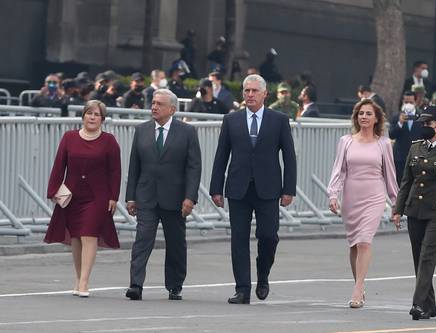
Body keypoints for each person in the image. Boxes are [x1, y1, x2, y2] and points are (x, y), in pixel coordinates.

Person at [209, 74, 296, 304]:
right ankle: (242, 289)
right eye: (246, 91)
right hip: (238, 188)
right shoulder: (232, 120)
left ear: (265, 94)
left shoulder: (279, 120)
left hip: (268, 188)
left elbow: (289, 157)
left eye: (254, 91)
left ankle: (263, 275)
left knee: (268, 236)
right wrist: (216, 188)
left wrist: (289, 189)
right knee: (238, 239)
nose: (250, 95)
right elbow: (221, 156)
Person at [125, 89, 202, 301]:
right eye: (153, 103)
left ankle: (175, 284)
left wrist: (190, 197)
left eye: (159, 104)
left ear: (172, 109)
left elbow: (194, 168)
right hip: (146, 195)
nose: (154, 107)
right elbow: (134, 166)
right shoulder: (142, 131)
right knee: (142, 240)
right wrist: (130, 196)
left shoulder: (187, 132)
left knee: (176, 243)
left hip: (175, 198)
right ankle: (136, 284)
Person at [44, 100, 121, 297]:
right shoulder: (69, 138)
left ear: (102, 119)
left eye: (96, 114)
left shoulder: (109, 141)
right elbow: (59, 166)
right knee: (76, 237)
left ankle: (85, 282)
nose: (92, 117)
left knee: (89, 234)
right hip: (72, 194)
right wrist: (53, 190)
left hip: (98, 196)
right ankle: (78, 278)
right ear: (83, 116)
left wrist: (114, 196)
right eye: (89, 113)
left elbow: (115, 171)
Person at [392, 106, 436, 320]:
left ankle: (418, 304)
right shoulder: (415, 148)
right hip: (415, 210)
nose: (424, 127)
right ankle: (430, 306)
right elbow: (406, 182)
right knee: (418, 258)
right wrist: (398, 209)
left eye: (428, 124)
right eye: (422, 123)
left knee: (427, 258)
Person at [327, 99, 398, 308]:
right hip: (351, 197)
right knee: (354, 245)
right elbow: (338, 170)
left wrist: (396, 203)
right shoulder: (346, 141)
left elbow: (390, 175)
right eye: (361, 113)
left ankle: (358, 288)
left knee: (364, 241)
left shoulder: (383, 143)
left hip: (374, 196)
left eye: (368, 114)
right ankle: (359, 282)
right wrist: (333, 195)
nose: (364, 117)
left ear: (377, 119)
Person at [389, 91, 423, 184]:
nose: (408, 105)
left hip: (416, 156)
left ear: (415, 102)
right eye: (406, 102)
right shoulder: (396, 117)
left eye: (411, 102)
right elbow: (391, 134)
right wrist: (400, 123)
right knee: (399, 184)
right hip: (400, 157)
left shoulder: (421, 117)